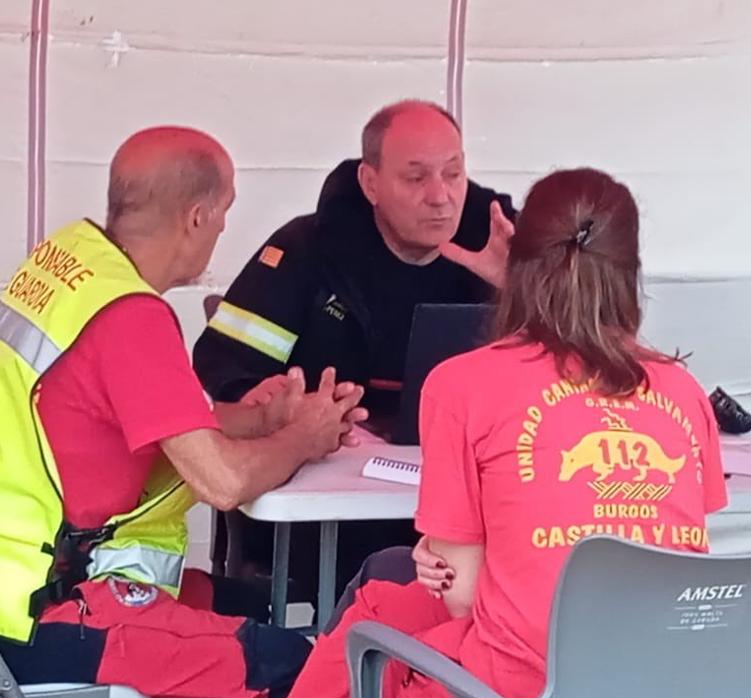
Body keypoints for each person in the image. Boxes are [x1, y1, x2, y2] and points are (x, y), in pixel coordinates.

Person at [121, 167, 729, 698]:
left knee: (375, 654)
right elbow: (662, 544)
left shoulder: (466, 384)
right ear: (632, 270)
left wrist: (461, 554)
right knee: (384, 598)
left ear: (521, 261)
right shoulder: (682, 393)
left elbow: (466, 596)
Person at [0, 126, 370, 698]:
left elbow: (163, 420)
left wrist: (263, 416)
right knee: (278, 664)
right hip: (31, 614)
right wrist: (302, 436)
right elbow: (222, 482)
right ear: (198, 217)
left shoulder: (71, 266)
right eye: (226, 213)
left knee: (215, 615)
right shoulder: (131, 318)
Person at [192, 99, 516, 594]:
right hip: (330, 516)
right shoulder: (308, 250)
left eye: (454, 174)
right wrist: (279, 403)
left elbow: (570, 380)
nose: (441, 197)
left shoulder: (502, 246)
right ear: (370, 184)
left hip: (464, 511)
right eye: (416, 178)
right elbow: (222, 364)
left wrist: (520, 290)